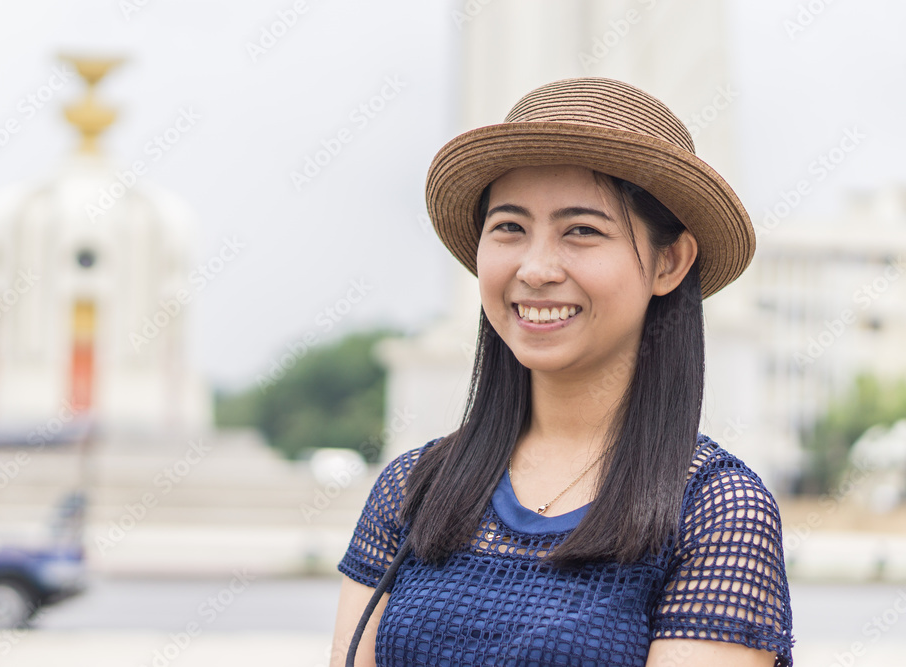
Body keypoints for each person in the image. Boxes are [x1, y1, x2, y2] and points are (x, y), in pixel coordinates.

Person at [329, 77, 794, 667]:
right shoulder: (413, 488)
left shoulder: (718, 510)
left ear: (669, 262)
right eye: (509, 228)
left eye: (581, 231)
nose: (536, 267)